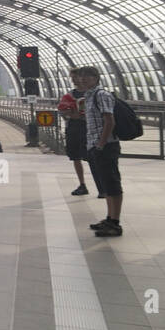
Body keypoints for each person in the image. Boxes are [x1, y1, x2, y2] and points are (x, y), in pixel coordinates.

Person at [76, 66, 122, 237]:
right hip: (96, 146)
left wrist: (101, 144)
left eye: (87, 76)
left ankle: (115, 224)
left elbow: (109, 121)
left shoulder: (101, 95)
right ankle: (109, 219)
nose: (83, 79)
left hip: (106, 146)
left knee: (112, 184)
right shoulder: (88, 96)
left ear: (96, 77)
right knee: (106, 185)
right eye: (81, 76)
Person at [58, 72, 95, 197]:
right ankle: (82, 184)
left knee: (92, 157)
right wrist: (69, 114)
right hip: (73, 128)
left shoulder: (93, 94)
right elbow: (61, 111)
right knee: (75, 157)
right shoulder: (69, 95)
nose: (74, 80)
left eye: (77, 76)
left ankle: (101, 185)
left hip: (88, 129)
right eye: (72, 77)